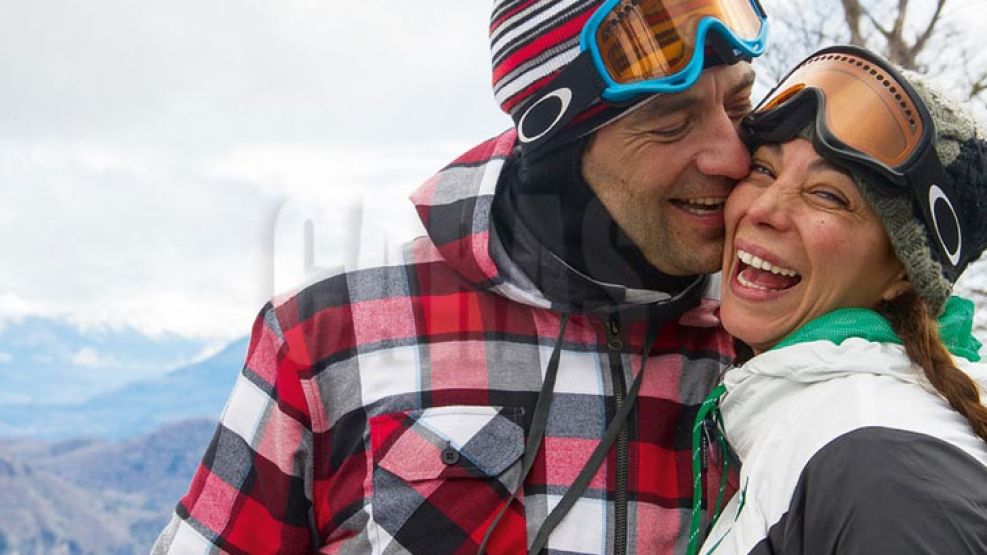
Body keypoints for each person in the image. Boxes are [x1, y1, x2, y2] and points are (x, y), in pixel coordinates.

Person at [153, 0, 770, 553]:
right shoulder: (329, 334)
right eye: (669, 124)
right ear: (555, 143)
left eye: (740, 105)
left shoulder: (774, 336)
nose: (734, 155)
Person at [691, 45, 987, 554]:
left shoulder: (881, 467)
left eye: (828, 195)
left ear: (904, 275)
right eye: (763, 170)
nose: (764, 208)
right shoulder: (806, 426)